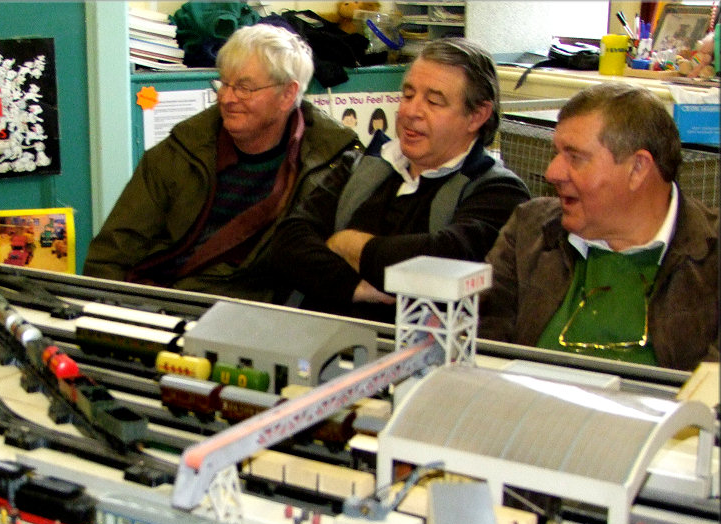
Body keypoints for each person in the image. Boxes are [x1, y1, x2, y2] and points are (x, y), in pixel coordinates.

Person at [83, 23, 362, 302]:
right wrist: (106, 312)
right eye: (225, 83)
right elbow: (110, 255)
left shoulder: (332, 166)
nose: (227, 98)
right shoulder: (180, 151)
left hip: (252, 312)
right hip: (160, 302)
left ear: (288, 94)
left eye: (244, 88)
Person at [266, 37, 530, 320]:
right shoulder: (358, 165)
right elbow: (287, 243)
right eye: (407, 95)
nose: (410, 112)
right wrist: (356, 287)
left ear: (477, 115)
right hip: (316, 333)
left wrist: (345, 244)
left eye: (434, 101)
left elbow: (442, 263)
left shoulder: (500, 193)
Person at [480, 82, 718, 371]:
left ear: (638, 168)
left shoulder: (712, 256)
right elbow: (481, 353)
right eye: (556, 154)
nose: (552, 172)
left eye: (575, 157)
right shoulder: (530, 231)